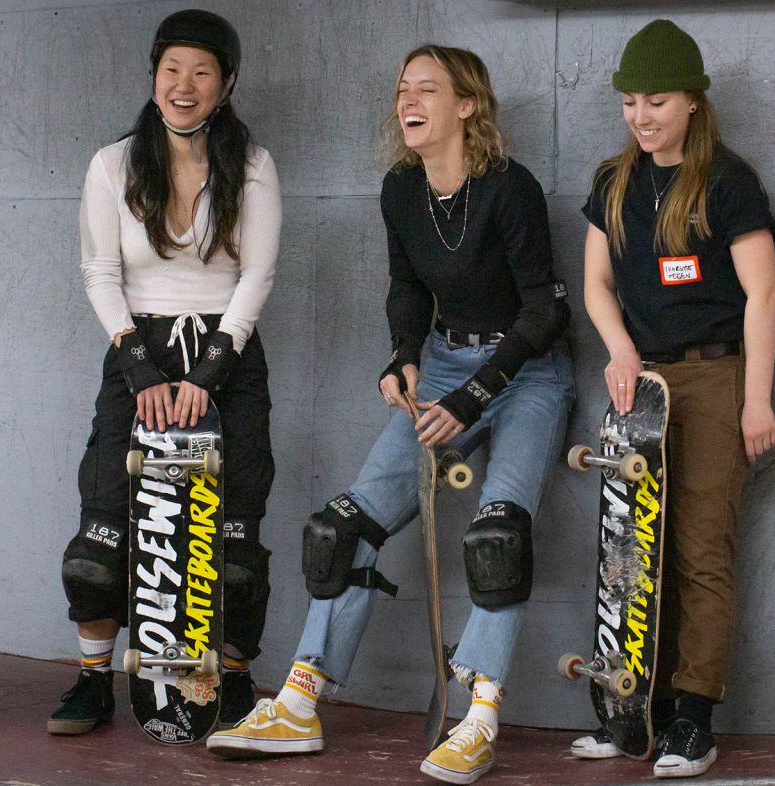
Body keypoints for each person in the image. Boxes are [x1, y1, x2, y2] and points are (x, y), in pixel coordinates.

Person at [206, 44, 573, 785]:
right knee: (341, 528)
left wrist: (473, 397)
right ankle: (301, 703)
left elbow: (543, 314)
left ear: (467, 106)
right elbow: (406, 288)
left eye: (428, 89)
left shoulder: (510, 189)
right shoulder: (401, 190)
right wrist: (401, 357)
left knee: (497, 538)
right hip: (442, 362)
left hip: (527, 370)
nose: (409, 99)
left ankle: (480, 719)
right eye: (404, 88)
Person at [47, 9, 281, 736]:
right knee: (101, 537)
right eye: (172, 69)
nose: (185, 85)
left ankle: (233, 685)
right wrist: (141, 369)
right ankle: (94, 682)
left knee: (235, 545)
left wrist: (207, 373)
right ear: (153, 78)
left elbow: (258, 273)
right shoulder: (112, 165)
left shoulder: (252, 165)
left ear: (226, 84)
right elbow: (98, 270)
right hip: (136, 346)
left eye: (202, 71)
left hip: (229, 351)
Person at [573, 19, 775, 779]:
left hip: (713, 376)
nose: (641, 115)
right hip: (641, 384)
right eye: (630, 101)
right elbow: (596, 284)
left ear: (693, 101)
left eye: (656, 100)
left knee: (699, 552)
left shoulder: (728, 182)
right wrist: (620, 350)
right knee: (631, 554)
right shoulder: (613, 180)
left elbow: (763, 295)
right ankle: (633, 712)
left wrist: (755, 401)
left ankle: (693, 720)